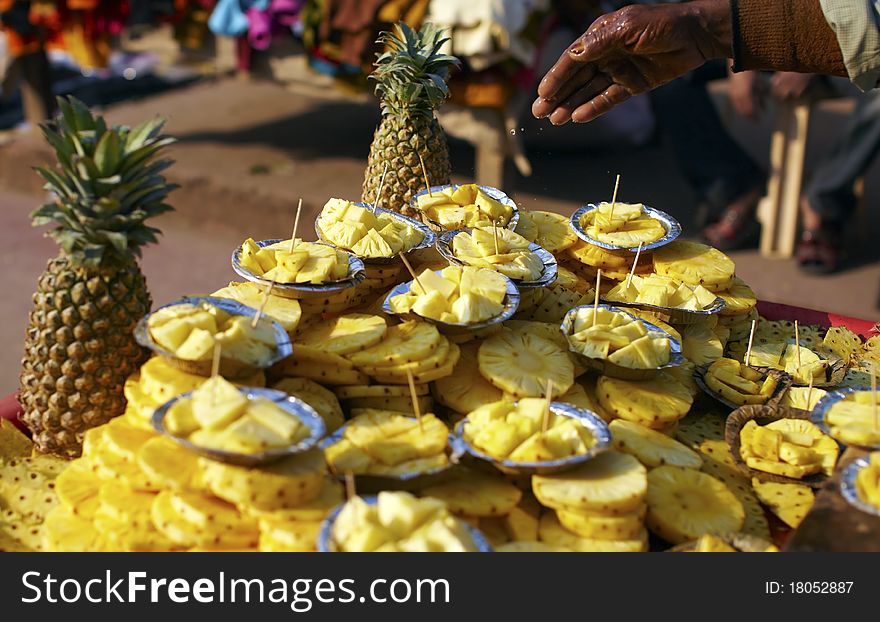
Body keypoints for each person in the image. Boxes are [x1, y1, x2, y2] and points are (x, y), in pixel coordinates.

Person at [531, 0, 878, 125]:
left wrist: (798, 51)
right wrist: (714, 33)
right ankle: (729, 188)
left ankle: (823, 205)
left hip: (843, 59)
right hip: (754, 29)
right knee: (665, 80)